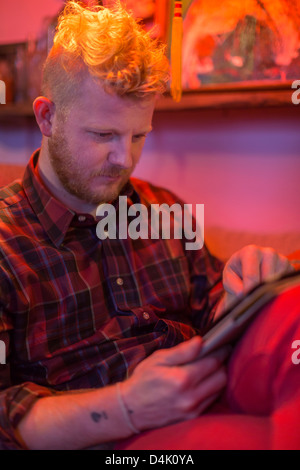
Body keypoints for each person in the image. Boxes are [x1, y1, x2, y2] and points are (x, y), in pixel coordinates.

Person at [0, 1, 298, 450]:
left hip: (213, 405)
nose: (125, 159)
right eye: (103, 136)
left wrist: (244, 290)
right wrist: (126, 407)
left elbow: (213, 302)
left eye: (138, 136)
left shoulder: (162, 209)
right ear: (47, 117)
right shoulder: (8, 245)